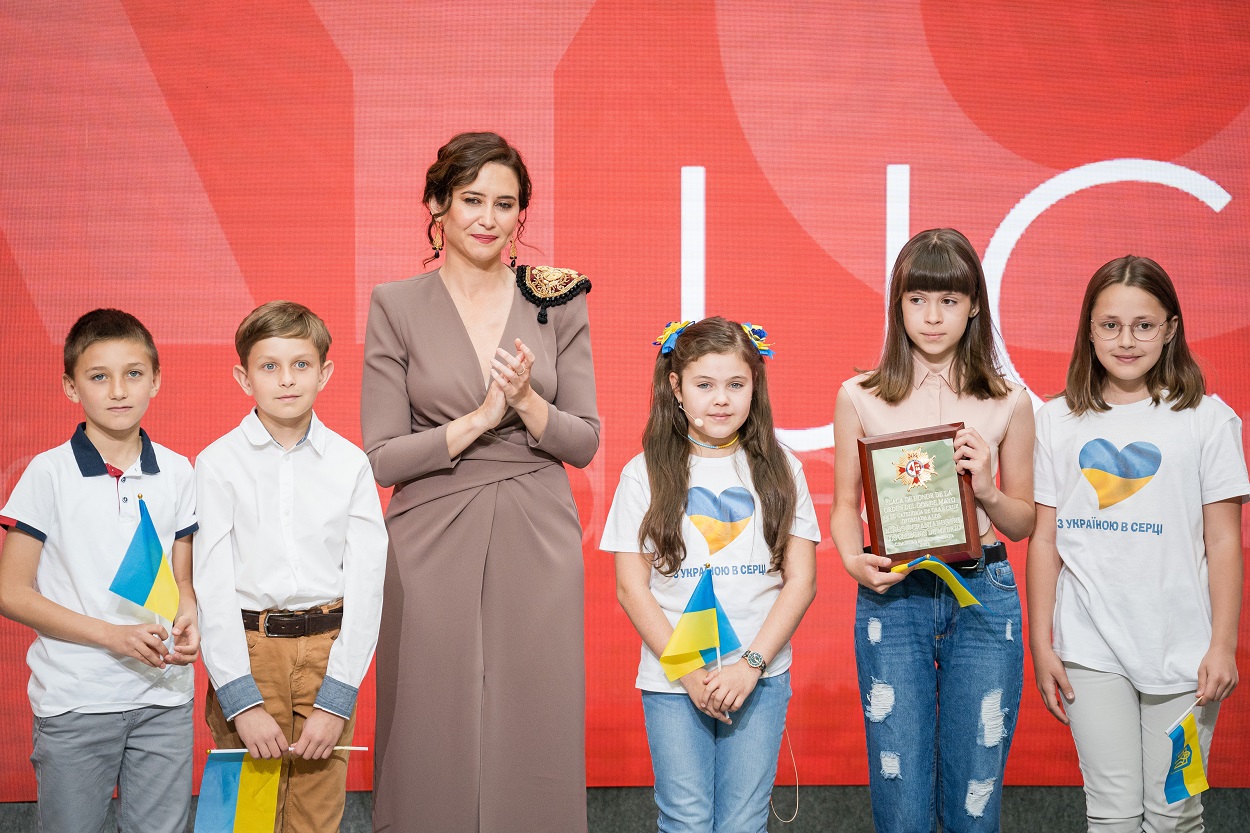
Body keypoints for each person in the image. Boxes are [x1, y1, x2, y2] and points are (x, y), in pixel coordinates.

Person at [362, 131, 599, 833]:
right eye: (471, 200)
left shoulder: (556, 297)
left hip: (538, 520)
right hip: (429, 528)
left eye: (505, 203)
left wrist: (527, 405)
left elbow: (584, 439)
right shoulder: (395, 303)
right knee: (429, 713)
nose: (488, 218)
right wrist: (478, 419)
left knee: (537, 704)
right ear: (437, 204)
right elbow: (381, 456)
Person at [1028, 255, 1247, 831]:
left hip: (1186, 658)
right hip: (1090, 650)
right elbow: (1046, 537)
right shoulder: (1057, 420)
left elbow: (1226, 540)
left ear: (1171, 328)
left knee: (1177, 814)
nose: (1126, 340)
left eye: (1143, 325)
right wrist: (1042, 642)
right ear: (1089, 329)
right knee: (1113, 816)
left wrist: (1222, 645)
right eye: (1110, 325)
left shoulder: (1207, 420)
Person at [829, 228, 1035, 831]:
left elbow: (1021, 522)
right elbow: (846, 506)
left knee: (977, 792)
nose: (933, 316)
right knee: (902, 798)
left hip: (983, 596)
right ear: (897, 304)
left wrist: (990, 487)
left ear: (974, 305)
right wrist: (852, 558)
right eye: (918, 299)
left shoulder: (1010, 401)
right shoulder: (859, 395)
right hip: (895, 596)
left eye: (949, 300)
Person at [603, 316, 820, 833]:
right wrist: (687, 673)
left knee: (744, 822)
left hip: (759, 676)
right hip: (674, 679)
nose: (721, 399)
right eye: (704, 385)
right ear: (676, 388)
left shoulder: (783, 469)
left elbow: (802, 581)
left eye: (735, 385)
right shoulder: (644, 473)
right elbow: (631, 588)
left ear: (754, 387)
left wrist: (750, 665)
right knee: (686, 820)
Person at [0, 309, 199, 833]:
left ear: (156, 379)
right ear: (71, 387)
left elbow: (182, 580)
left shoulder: (179, 471)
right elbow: (10, 591)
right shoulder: (48, 473)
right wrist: (111, 636)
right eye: (98, 376)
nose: (118, 390)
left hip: (165, 699)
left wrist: (190, 616)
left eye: (133, 373)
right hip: (76, 700)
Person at [194, 301, 387, 833]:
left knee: (316, 819)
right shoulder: (216, 463)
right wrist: (240, 700)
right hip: (248, 649)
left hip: (328, 650)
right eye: (269, 366)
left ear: (324, 373)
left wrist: (336, 699)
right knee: (243, 821)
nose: (286, 380)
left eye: (301, 365)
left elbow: (368, 584)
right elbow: (209, 587)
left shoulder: (350, 463)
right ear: (243, 377)